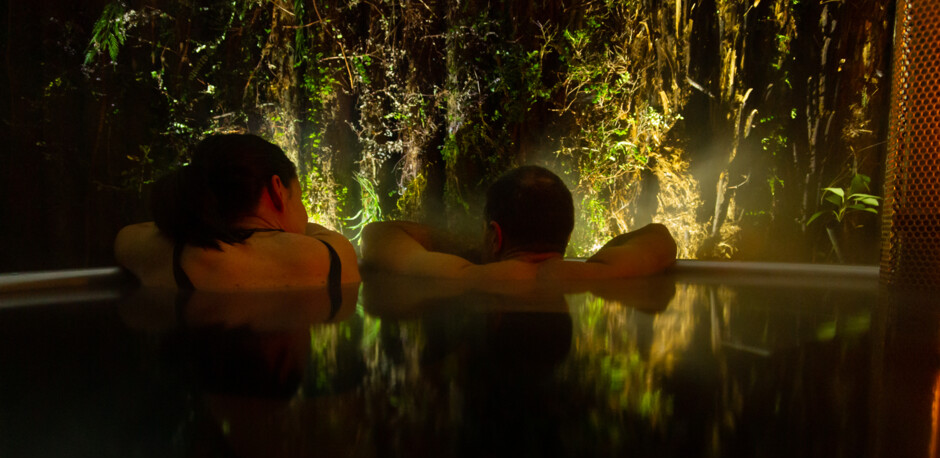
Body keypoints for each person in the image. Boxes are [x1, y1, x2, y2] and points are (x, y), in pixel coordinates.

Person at [115, 133, 360, 291]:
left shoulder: (171, 254)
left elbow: (128, 236)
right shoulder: (327, 257)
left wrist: (206, 222)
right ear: (277, 190)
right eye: (300, 197)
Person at [361, 165, 677, 281]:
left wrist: (473, 248)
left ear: (495, 236)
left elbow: (377, 235)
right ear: (566, 236)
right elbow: (659, 236)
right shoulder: (603, 275)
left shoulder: (463, 277)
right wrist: (597, 261)